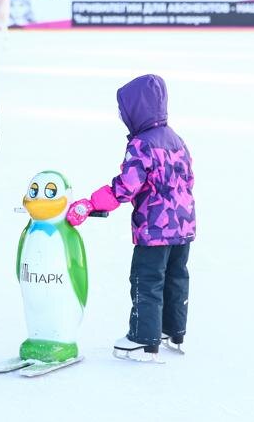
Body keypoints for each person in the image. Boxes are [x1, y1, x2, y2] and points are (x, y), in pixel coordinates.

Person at [66, 74, 196, 362]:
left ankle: (142, 338)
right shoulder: (176, 139)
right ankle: (172, 330)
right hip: (184, 226)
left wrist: (90, 203)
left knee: (146, 279)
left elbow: (126, 186)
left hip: (155, 229)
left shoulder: (142, 144)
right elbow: (189, 179)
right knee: (175, 277)